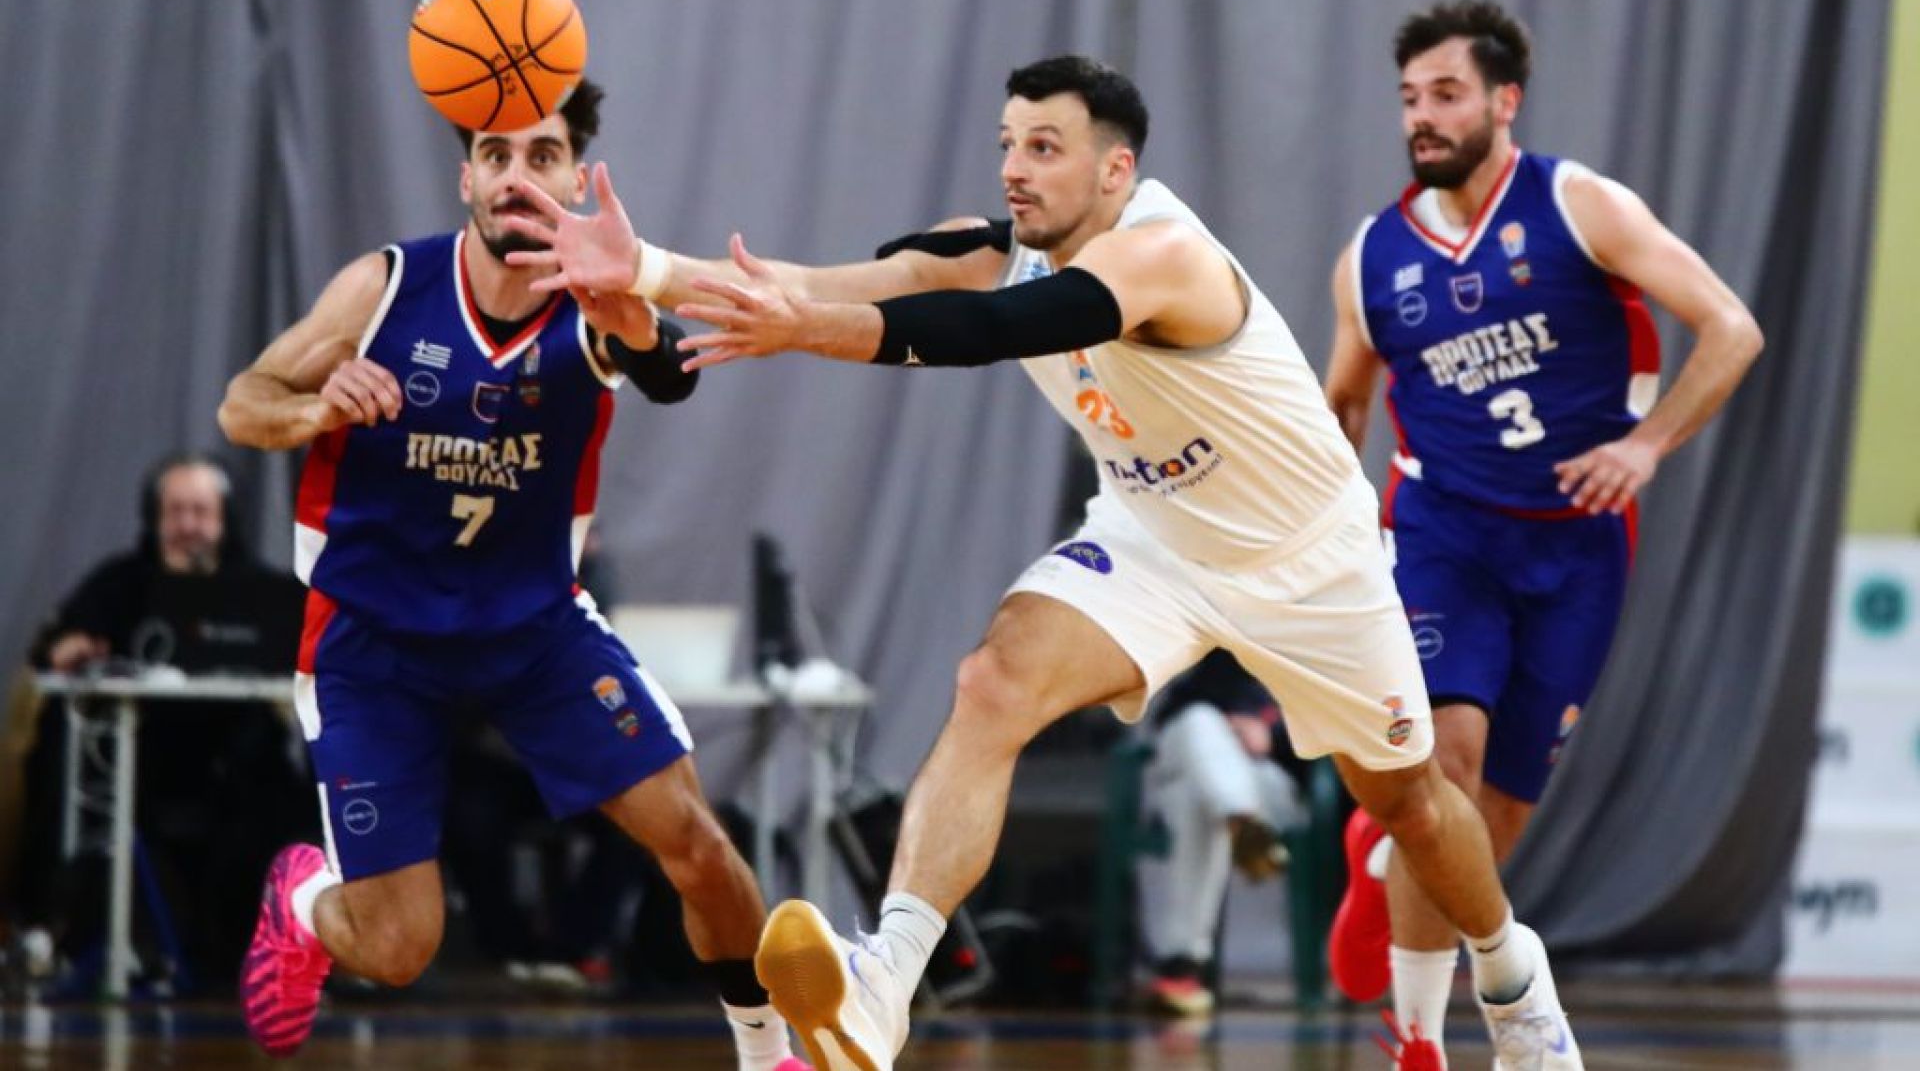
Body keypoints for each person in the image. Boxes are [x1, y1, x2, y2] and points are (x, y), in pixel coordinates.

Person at [506, 54, 1586, 1071]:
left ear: (1116, 170)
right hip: (1154, 539)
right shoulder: (990, 244)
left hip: (1308, 563)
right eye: (1008, 144)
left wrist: (808, 330)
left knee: (1410, 803)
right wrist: (645, 268)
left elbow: (998, 328)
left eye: (1045, 147)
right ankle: (883, 986)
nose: (1016, 168)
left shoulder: (1165, 253)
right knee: (993, 682)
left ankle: (1512, 982)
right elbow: (804, 282)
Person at [215, 80, 808, 1070]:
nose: (517, 177)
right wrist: (316, 408)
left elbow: (665, 371)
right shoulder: (385, 289)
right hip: (375, 641)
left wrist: (633, 317)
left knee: (698, 846)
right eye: (496, 155)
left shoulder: (594, 302)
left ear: (575, 179)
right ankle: (306, 901)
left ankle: (768, 1052)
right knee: (400, 949)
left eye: (542, 155)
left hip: (532, 633)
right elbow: (245, 402)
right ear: (468, 179)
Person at [1321, 0, 1763, 1065]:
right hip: (1443, 535)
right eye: (1409, 99)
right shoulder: (1372, 258)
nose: (1422, 118)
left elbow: (1731, 328)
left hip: (1576, 547)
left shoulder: (1577, 204)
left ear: (1504, 100)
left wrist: (1647, 446)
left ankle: (1384, 851)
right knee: (1449, 759)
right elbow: (1343, 407)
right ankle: (1417, 1038)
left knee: (1494, 820)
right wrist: (1328, 538)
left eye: (1446, 95)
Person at [4, 454, 312, 990]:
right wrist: (70, 648)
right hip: (136, 760)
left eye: (201, 511)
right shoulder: (120, 583)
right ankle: (64, 934)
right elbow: (56, 646)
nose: (188, 525)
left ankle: (263, 958)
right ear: (155, 517)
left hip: (238, 766)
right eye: (176, 511)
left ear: (224, 518)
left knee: (293, 805)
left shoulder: (266, 591)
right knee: (64, 772)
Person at [1139, 652, 1300, 1018]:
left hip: (1269, 783)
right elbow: (1172, 713)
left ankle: (1181, 964)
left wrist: (1273, 736)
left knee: (1195, 800)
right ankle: (1241, 820)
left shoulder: (1325, 651)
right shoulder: (1226, 650)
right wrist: (1229, 727)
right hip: (1208, 769)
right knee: (1198, 723)